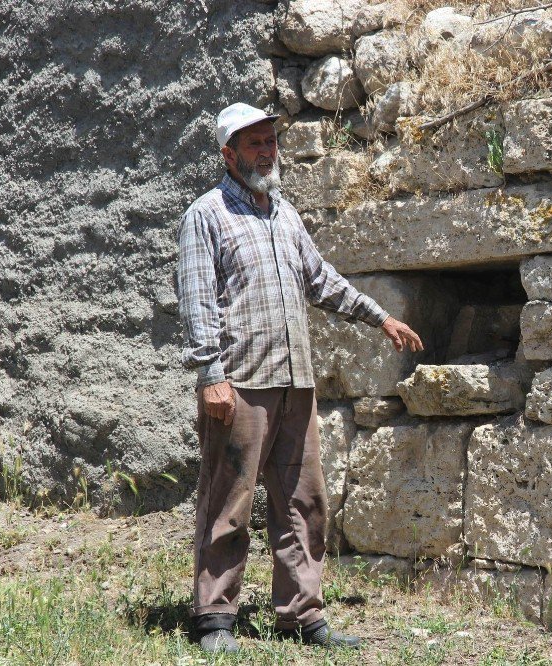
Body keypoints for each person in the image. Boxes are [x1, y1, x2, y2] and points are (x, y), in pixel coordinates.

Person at [175, 102, 424, 654]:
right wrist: (210, 375)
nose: (267, 151)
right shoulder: (207, 215)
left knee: (304, 502)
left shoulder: (284, 216)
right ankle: (215, 617)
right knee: (228, 502)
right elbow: (196, 303)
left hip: (295, 382)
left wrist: (379, 316)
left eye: (271, 141)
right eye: (255, 143)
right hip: (238, 383)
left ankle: (302, 615)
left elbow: (321, 280)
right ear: (229, 154)